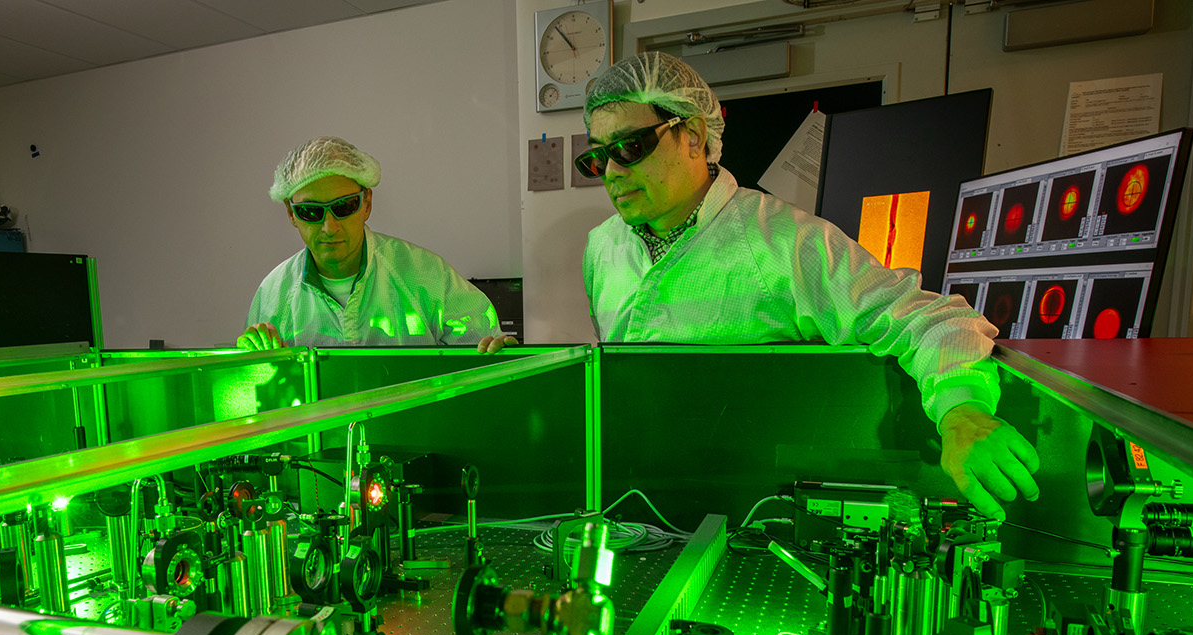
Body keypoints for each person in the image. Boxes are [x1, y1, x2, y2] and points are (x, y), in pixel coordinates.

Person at [575, 53, 1039, 521]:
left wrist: (962, 409)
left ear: (693, 136)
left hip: (750, 516)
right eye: (596, 157)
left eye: (629, 147)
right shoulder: (603, 249)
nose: (612, 172)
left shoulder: (785, 243)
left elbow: (928, 319)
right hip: (632, 508)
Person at [241, 136, 515, 353]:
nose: (329, 226)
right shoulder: (273, 297)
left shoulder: (427, 277)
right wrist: (253, 367)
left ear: (366, 203)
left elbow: (481, 360)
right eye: (310, 212)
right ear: (291, 213)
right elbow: (264, 394)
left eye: (344, 206)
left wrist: (502, 354)